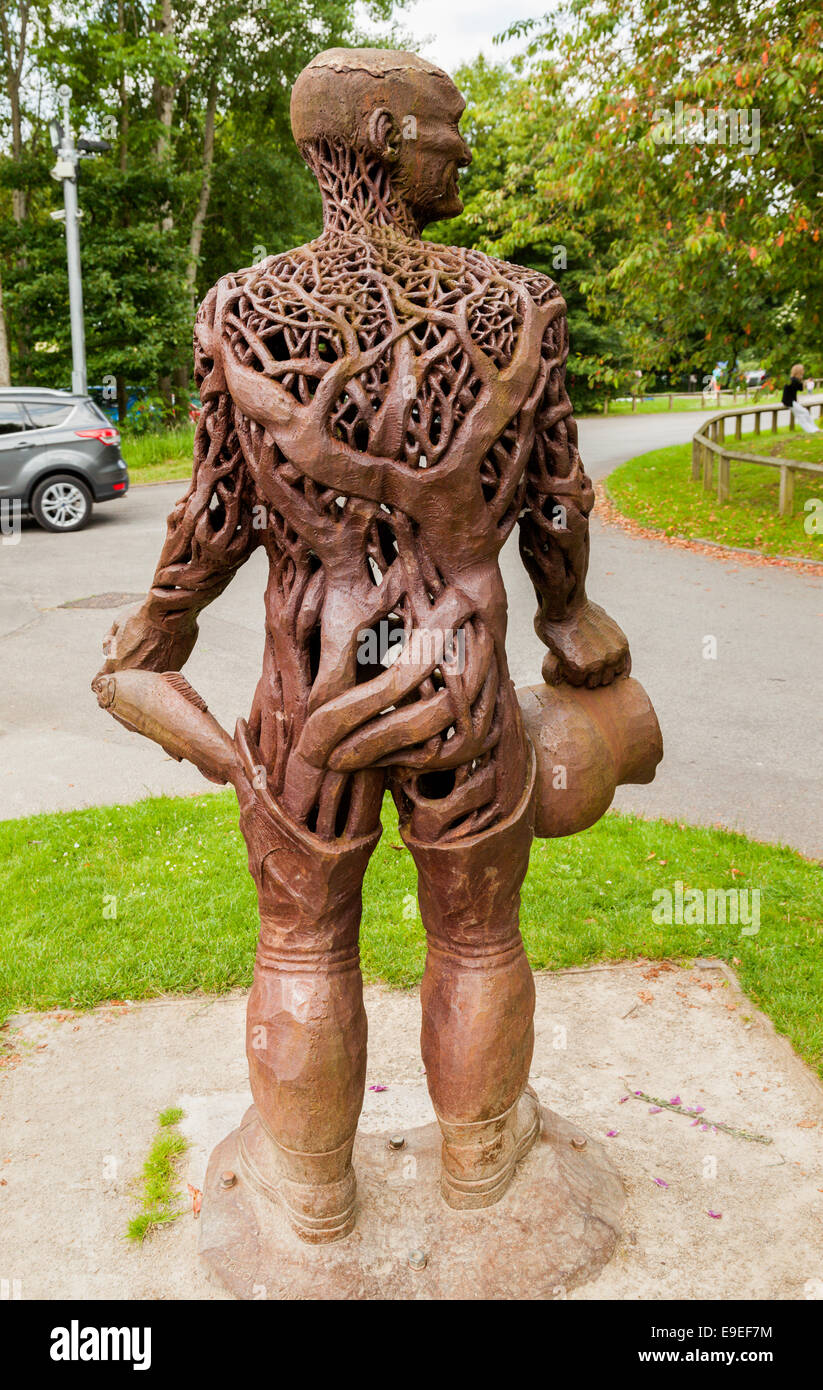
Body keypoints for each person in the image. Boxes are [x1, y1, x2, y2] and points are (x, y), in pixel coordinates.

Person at [94, 48, 631, 1243]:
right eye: (450, 125)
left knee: (300, 933)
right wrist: (563, 612)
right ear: (385, 133)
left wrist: (165, 618)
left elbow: (218, 510)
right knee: (480, 928)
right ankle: (484, 1173)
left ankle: (310, 1192)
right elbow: (552, 498)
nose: (466, 148)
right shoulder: (514, 304)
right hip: (462, 679)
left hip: (310, 687)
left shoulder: (242, 308)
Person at [782, 362, 819, 433]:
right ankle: (812, 430)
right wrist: (806, 382)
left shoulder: (793, 379)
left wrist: (804, 381)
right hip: (789, 402)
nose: (803, 372)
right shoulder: (793, 380)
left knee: (803, 414)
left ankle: (813, 429)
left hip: (791, 401)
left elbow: (800, 388)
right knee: (804, 413)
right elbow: (801, 388)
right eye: (802, 370)